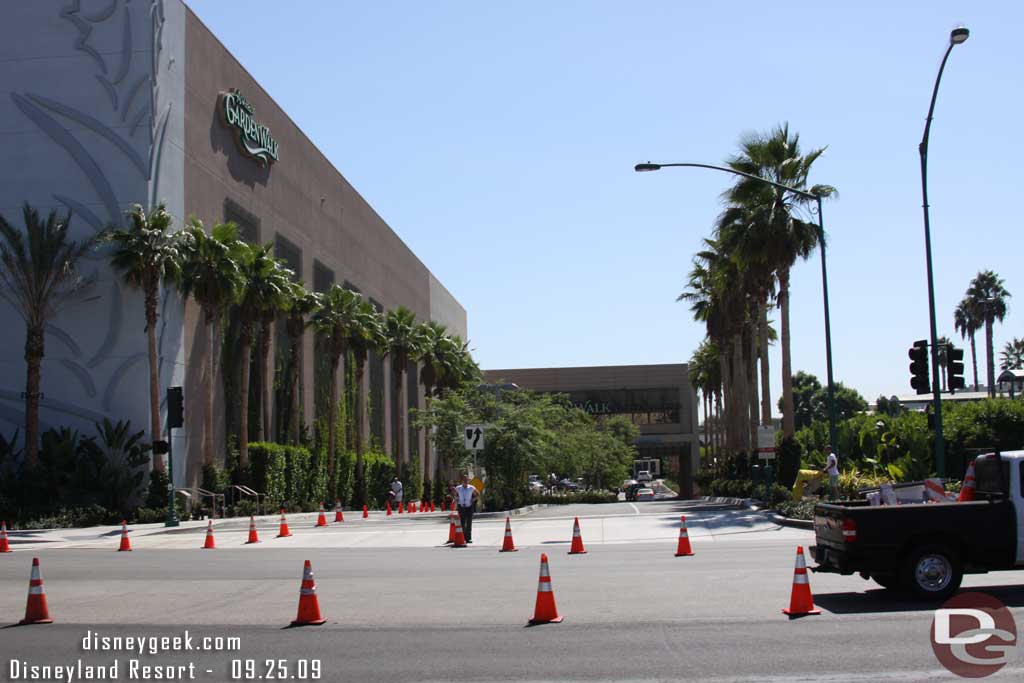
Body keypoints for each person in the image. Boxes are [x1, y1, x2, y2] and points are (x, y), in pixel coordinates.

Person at [454, 473, 479, 543]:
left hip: (469, 506)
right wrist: (456, 499)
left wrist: (473, 500)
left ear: (468, 480)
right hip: (461, 507)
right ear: (462, 480)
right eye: (464, 479)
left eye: (466, 479)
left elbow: (478, 494)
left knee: (469, 522)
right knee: (462, 522)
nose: (465, 481)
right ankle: (463, 537)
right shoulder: (458, 488)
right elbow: (454, 494)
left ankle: (469, 538)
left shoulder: (471, 487)